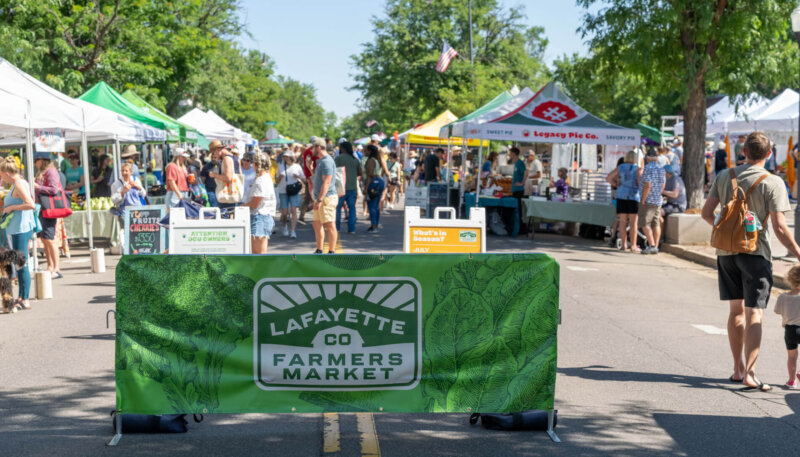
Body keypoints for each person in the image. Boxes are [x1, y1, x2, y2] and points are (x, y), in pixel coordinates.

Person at [701, 131, 800, 392]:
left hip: (726, 253)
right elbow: (780, 227)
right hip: (756, 253)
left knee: (735, 311)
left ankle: (738, 369)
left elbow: (706, 213)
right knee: (754, 312)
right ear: (769, 153)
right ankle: (751, 374)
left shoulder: (725, 176)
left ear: (743, 151)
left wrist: (727, 231)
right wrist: (798, 252)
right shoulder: (773, 181)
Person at [0, 157, 36, 312]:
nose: (2, 178)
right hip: (17, 229)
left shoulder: (19, 184)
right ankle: (21, 297)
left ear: (7, 173)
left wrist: (11, 208)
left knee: (22, 263)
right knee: (19, 263)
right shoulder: (18, 183)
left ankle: (25, 299)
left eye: (1, 175)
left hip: (21, 229)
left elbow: (30, 204)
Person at [33, 152, 65, 279]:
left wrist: (38, 187)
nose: (35, 163)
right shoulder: (42, 172)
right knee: (44, 239)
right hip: (42, 208)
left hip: (49, 208)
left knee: (50, 239)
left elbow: (54, 189)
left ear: (42, 160)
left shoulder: (51, 171)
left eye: (36, 160)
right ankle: (50, 266)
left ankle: (56, 268)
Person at [606, 150, 642, 252]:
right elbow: (640, 183)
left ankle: (623, 245)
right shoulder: (638, 169)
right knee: (633, 222)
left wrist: (616, 184)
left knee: (622, 222)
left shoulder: (620, 167)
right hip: (633, 196)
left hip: (621, 195)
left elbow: (608, 178)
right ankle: (633, 245)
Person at [241, 151, 276, 254]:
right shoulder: (266, 177)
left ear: (255, 165)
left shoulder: (261, 180)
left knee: (258, 254)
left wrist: (242, 206)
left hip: (260, 217)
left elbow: (255, 203)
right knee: (259, 254)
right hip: (262, 217)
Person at [774, 265, 800, 389]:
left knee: (792, 357)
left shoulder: (783, 297)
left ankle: (791, 381)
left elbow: (777, 311)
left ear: (789, 279)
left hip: (789, 330)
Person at [311, 137, 338, 253]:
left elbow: (327, 182)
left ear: (318, 147)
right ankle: (319, 249)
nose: (311, 150)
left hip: (326, 198)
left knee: (329, 224)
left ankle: (332, 251)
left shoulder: (326, 161)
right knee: (317, 223)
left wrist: (320, 200)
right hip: (321, 197)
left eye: (312, 147)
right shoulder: (321, 161)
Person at [638, 149, 666, 254]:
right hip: (658, 199)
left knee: (645, 223)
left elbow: (647, 184)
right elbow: (663, 185)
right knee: (656, 223)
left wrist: (643, 199)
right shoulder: (661, 168)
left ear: (648, 157)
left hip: (648, 200)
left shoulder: (648, 168)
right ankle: (656, 246)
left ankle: (652, 245)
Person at [334, 141, 362, 234]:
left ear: (343, 148)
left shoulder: (338, 159)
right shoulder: (355, 159)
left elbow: (333, 172)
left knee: (337, 208)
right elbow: (360, 173)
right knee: (352, 208)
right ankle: (352, 229)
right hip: (352, 187)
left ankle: (336, 228)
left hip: (340, 187)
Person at [276, 152, 304, 238]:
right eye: (284, 157)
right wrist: (280, 176)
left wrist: (298, 177)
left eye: (287, 157)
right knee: (284, 212)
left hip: (293, 191)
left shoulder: (297, 167)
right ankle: (284, 226)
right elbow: (277, 181)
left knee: (293, 210)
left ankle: (293, 231)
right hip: (283, 191)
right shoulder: (280, 166)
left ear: (291, 157)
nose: (285, 158)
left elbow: (304, 179)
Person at [208, 140, 241, 211]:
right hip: (234, 194)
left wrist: (214, 175)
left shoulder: (226, 159)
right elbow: (240, 174)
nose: (213, 155)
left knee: (225, 216)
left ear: (217, 150)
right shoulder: (235, 158)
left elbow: (228, 178)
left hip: (227, 196)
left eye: (213, 153)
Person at [364, 144, 386, 233]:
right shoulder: (377, 160)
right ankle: (375, 225)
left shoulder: (371, 160)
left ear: (370, 151)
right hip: (379, 181)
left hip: (374, 181)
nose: (364, 152)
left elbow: (370, 175)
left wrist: (366, 188)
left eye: (366, 150)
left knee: (372, 205)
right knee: (376, 205)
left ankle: (374, 226)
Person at [300, 138, 319, 221]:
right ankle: (316, 217)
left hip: (309, 176)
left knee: (308, 197)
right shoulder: (311, 151)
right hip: (313, 177)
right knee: (315, 197)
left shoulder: (307, 151)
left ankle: (302, 215)